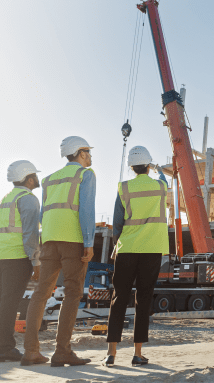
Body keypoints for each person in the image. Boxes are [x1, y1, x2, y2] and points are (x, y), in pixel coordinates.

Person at [21, 136, 96, 367]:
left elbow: (44, 214)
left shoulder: (49, 179)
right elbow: (86, 210)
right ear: (81, 153)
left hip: (50, 241)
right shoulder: (85, 175)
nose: (91, 157)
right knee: (73, 293)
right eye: (89, 152)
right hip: (73, 240)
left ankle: (31, 352)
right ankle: (62, 351)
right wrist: (89, 242)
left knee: (41, 293)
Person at [103, 146, 169, 367]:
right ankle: (137, 354)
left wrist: (116, 244)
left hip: (127, 248)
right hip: (151, 249)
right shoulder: (160, 186)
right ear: (148, 166)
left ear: (131, 167)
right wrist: (159, 169)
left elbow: (118, 222)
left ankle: (111, 353)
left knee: (119, 298)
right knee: (143, 299)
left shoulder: (124, 188)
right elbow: (165, 180)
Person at [0, 161, 41, 362]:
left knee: (3, 302)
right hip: (17, 258)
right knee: (9, 303)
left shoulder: (6, 198)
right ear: (29, 178)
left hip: (2, 256)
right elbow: (30, 235)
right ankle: (5, 348)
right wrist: (36, 262)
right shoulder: (28, 199)